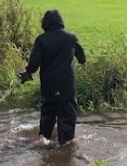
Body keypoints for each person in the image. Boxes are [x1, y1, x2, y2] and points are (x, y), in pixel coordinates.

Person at [19, 10, 86, 146]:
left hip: (48, 84)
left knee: (48, 112)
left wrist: (27, 73)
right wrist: (82, 61)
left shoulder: (42, 39)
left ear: (45, 23)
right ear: (61, 22)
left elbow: (34, 61)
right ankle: (66, 144)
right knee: (67, 114)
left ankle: (44, 139)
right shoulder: (70, 37)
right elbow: (79, 51)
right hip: (66, 84)